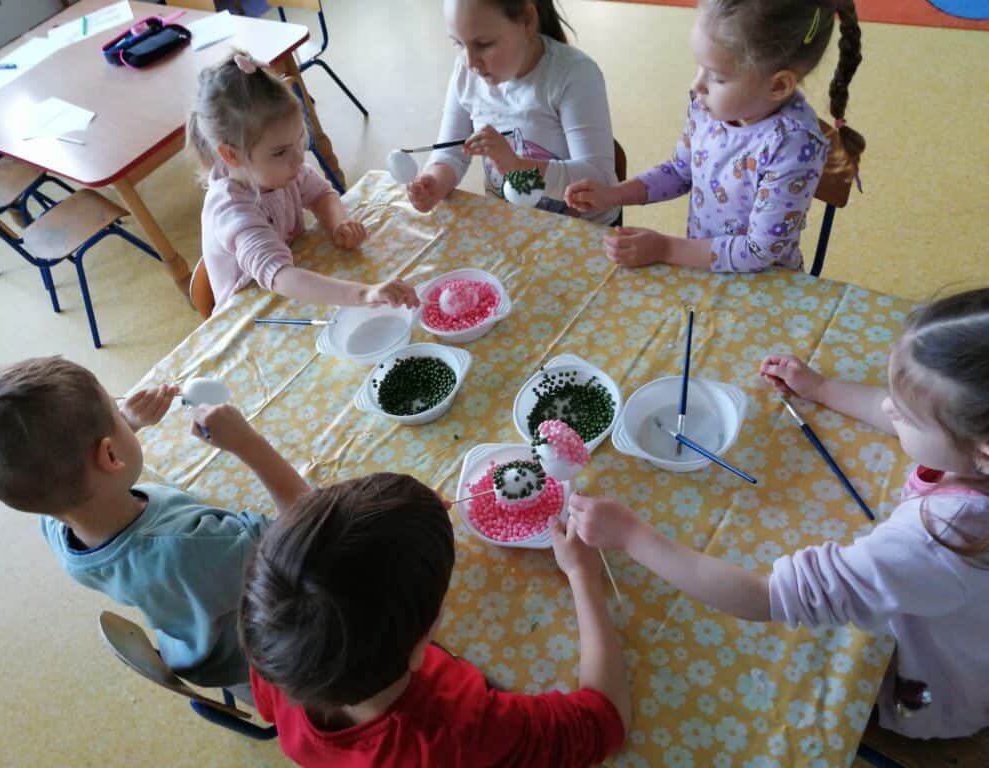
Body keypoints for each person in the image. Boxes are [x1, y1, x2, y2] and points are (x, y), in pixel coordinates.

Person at [569, 287, 989, 739]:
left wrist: (632, 536)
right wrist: (822, 389)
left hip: (944, 679)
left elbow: (763, 597)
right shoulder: (966, 441)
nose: (888, 406)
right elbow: (908, 413)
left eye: (905, 414)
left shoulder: (936, 539)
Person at [0, 356, 309, 690]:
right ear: (110, 455)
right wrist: (248, 443)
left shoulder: (56, 521)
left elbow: (71, 468)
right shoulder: (197, 545)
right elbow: (306, 530)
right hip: (260, 656)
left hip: (192, 645)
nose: (122, 413)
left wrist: (127, 423)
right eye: (116, 412)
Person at [241, 472, 631, 766]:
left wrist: (410, 520)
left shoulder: (275, 645)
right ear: (420, 650)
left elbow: (320, 569)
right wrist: (583, 574)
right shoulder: (461, 731)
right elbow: (604, 719)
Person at [566, 0, 865, 272]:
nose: (697, 85)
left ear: (778, 86)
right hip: (700, 265)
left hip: (764, 286)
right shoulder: (706, 107)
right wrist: (613, 194)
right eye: (699, 67)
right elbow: (679, 171)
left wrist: (664, 248)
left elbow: (758, 251)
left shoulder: (793, 144)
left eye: (717, 77)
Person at [188, 52, 418, 310]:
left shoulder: (282, 171)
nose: (299, 158)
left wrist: (338, 222)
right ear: (231, 155)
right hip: (251, 313)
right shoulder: (230, 209)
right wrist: (364, 294)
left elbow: (321, 195)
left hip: (292, 287)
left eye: (299, 140)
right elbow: (280, 276)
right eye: (280, 152)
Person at [408, 0, 620, 225]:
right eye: (458, 43)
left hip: (583, 229)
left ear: (527, 21)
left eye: (484, 44)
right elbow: (450, 153)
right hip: (514, 224)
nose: (470, 62)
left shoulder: (574, 75)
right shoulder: (465, 74)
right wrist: (434, 183)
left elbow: (600, 183)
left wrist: (516, 165)